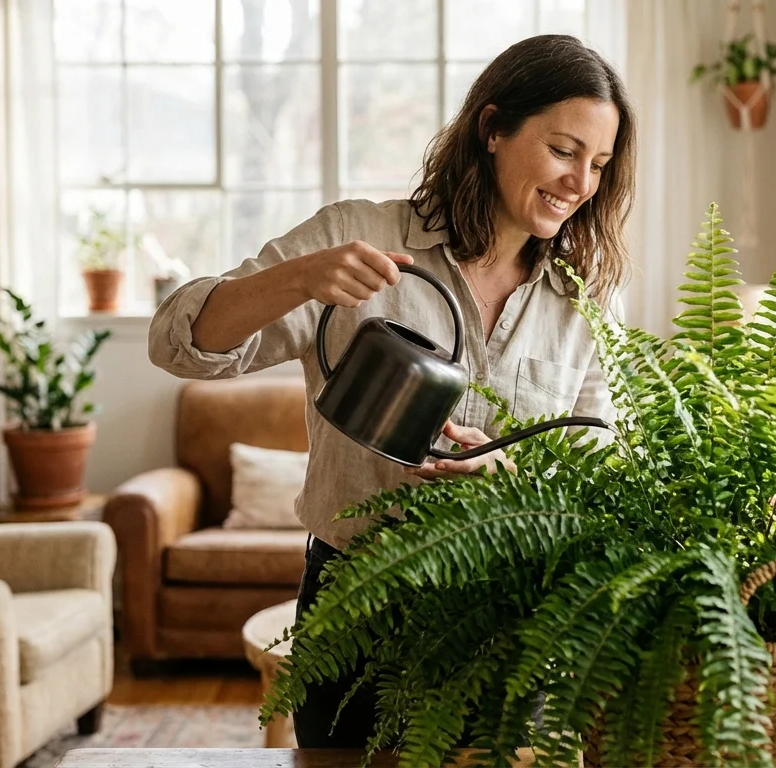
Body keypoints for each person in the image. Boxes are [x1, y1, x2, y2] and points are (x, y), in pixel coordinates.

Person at [147, 33, 636, 748]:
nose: (580, 182)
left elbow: (606, 461)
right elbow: (177, 345)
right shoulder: (359, 236)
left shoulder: (583, 296)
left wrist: (514, 471)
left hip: (512, 613)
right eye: (564, 151)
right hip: (356, 602)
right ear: (493, 128)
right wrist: (297, 279)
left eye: (598, 165)